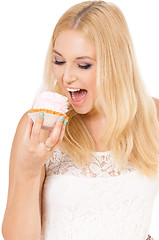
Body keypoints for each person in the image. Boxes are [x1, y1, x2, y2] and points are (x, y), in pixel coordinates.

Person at [2, 1, 159, 240]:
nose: (67, 77)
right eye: (59, 61)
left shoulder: (153, 116)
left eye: (83, 65)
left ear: (116, 64)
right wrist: (29, 170)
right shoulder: (39, 124)